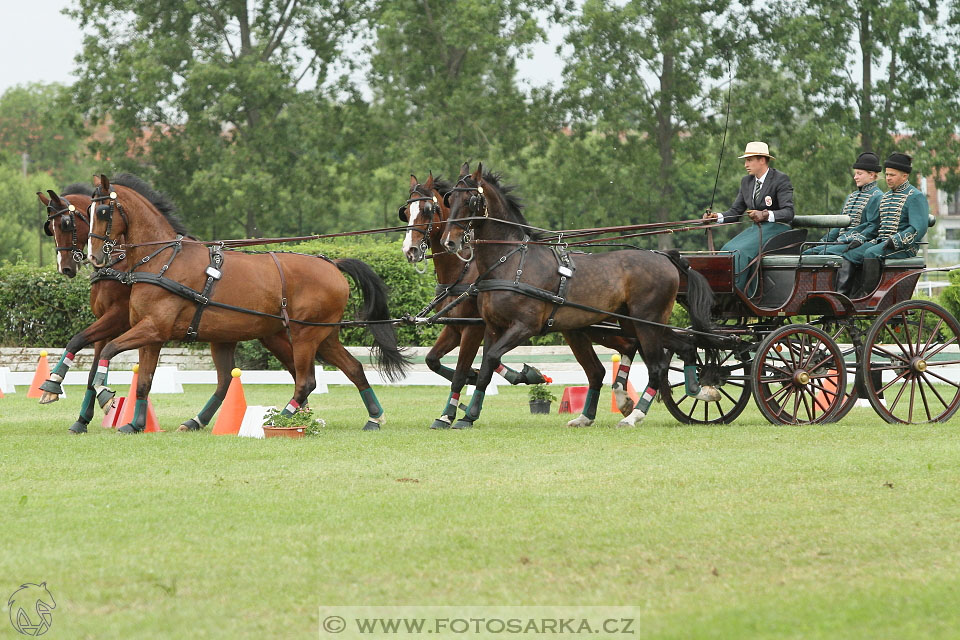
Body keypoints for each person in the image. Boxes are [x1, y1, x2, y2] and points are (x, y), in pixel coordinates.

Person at [703, 141, 794, 296]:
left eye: (749, 160)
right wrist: (715, 217)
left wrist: (764, 214)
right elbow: (736, 211)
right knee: (726, 250)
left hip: (778, 229)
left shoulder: (780, 179)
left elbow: (788, 212)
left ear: (762, 160)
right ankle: (720, 291)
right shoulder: (746, 182)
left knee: (740, 253)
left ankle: (738, 293)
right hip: (757, 230)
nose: (746, 164)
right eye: (745, 160)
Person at [837, 152, 929, 297]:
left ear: (904, 176)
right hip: (881, 242)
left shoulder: (915, 196)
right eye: (886, 175)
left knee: (870, 253)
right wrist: (859, 238)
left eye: (892, 175)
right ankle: (845, 296)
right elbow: (874, 225)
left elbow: (919, 227)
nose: (888, 178)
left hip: (904, 247)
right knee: (850, 254)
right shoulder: (886, 197)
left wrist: (897, 240)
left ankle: (868, 295)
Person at [804, 152, 883, 255]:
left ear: (871, 175)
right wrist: (822, 242)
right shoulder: (851, 197)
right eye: (855, 174)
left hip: (858, 244)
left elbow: (873, 226)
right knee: (807, 253)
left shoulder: (877, 196)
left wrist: (856, 239)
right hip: (840, 242)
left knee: (824, 254)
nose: (855, 177)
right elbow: (839, 226)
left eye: (859, 173)